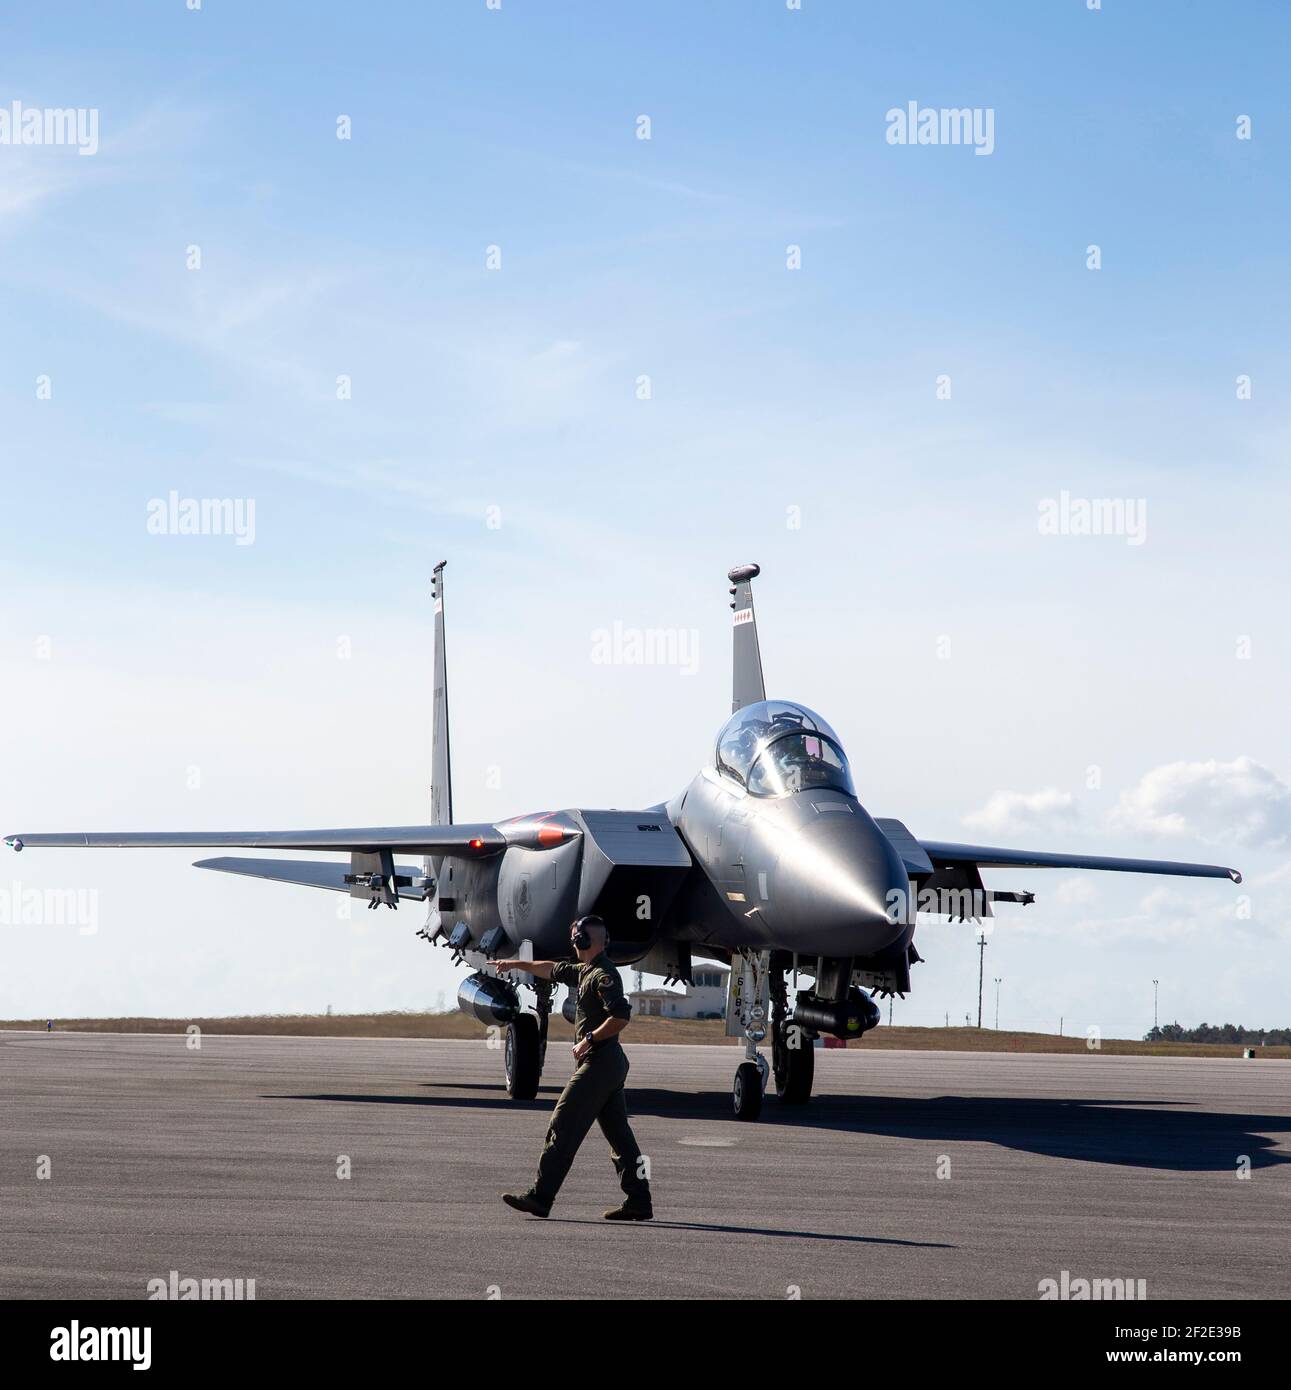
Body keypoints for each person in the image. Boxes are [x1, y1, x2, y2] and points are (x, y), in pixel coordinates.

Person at [495, 915, 653, 1221]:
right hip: (608, 1064)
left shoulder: (603, 976)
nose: (571, 943)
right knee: (620, 1137)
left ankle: (541, 1197)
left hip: (599, 1063)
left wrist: (589, 1039)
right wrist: (515, 965)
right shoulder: (585, 971)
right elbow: (550, 969)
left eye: (574, 938)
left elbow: (620, 1017)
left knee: (563, 1122)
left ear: (583, 941)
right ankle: (639, 1201)